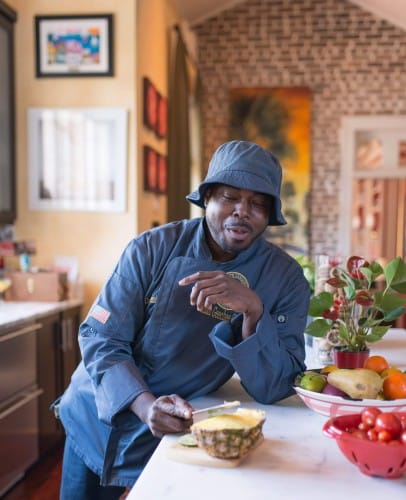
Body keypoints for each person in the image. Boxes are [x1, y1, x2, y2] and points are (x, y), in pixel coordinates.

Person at [57, 140, 310, 499]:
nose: (242, 211)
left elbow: (277, 386)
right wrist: (144, 404)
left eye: (258, 203)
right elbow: (101, 338)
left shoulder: (285, 279)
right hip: (99, 414)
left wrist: (254, 311)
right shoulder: (151, 249)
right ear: (207, 198)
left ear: (270, 214)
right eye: (229, 197)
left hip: (183, 426)